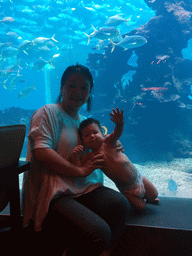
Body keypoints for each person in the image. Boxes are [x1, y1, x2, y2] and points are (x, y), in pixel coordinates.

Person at [21, 64, 130, 256]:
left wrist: (114, 146)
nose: (77, 92)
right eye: (72, 86)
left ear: (90, 92)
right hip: (52, 193)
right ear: (62, 87)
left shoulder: (84, 122)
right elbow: (41, 151)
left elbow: (101, 148)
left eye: (84, 88)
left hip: (79, 189)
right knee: (99, 232)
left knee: (120, 205)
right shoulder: (47, 112)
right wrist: (79, 171)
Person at [70, 107, 159, 211]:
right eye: (87, 135)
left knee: (154, 194)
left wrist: (119, 124)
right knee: (140, 207)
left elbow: (117, 133)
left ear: (102, 133)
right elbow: (79, 165)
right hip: (126, 189)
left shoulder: (108, 142)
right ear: (83, 142)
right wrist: (75, 156)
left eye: (95, 132)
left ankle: (149, 198)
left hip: (138, 178)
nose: (92, 136)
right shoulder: (92, 156)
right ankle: (142, 199)